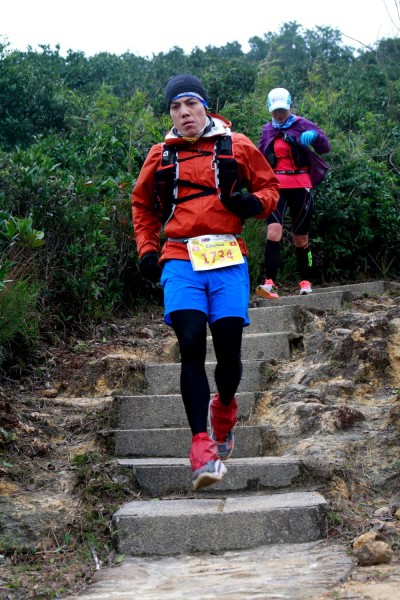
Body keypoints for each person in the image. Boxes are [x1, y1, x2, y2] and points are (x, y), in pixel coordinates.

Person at [132, 73, 279, 491]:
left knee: (229, 352)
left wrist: (254, 203)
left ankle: (225, 409)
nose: (184, 113)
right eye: (175, 107)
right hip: (180, 257)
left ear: (205, 107)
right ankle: (201, 447)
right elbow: (142, 204)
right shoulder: (160, 154)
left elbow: (270, 187)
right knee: (191, 343)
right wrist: (147, 249)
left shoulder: (238, 144)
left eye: (190, 104)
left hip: (228, 256)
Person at [256, 87, 331, 299]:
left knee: (301, 238)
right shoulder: (267, 130)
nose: (279, 114)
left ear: (290, 106)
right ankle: (269, 282)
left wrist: (315, 137)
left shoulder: (302, 124)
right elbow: (260, 156)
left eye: (283, 109)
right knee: (273, 232)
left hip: (301, 184)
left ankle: (306, 280)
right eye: (275, 110)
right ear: (270, 109)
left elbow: (325, 147)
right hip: (276, 186)